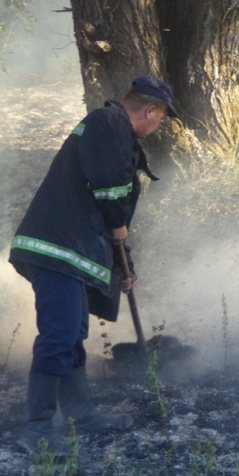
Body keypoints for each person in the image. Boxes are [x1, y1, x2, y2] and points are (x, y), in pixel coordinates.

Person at [8, 76, 178, 456]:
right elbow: (106, 189)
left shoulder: (116, 137)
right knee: (58, 335)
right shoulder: (108, 123)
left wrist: (125, 266)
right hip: (56, 250)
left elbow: (108, 215)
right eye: (162, 118)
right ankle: (36, 428)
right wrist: (120, 225)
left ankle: (80, 416)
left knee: (72, 335)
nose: (159, 125)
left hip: (73, 251)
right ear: (150, 111)